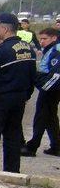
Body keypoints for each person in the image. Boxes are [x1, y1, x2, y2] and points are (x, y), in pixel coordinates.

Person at [0, 13, 36, 173]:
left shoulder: (2, 50)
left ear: (4, 28)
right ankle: (12, 171)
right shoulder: (28, 48)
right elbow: (32, 76)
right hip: (19, 98)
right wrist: (26, 95)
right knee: (13, 135)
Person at [21, 28, 60, 157]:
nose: (42, 42)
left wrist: (41, 85)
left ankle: (32, 147)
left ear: (54, 38)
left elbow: (55, 75)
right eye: (41, 39)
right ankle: (56, 146)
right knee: (50, 118)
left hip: (51, 89)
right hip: (50, 87)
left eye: (45, 39)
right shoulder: (50, 49)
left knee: (41, 117)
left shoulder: (56, 51)